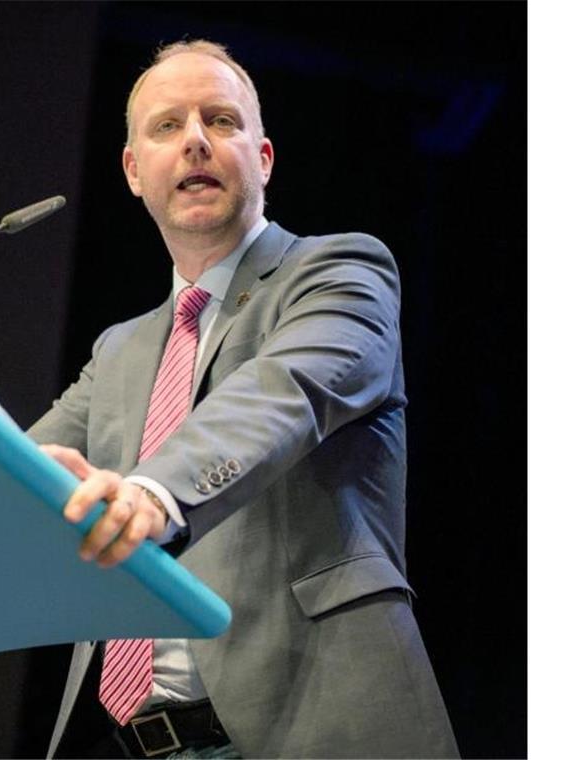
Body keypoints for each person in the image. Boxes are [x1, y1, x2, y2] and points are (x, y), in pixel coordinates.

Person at [28, 40, 459, 759]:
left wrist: (154, 492)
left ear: (262, 158)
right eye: (167, 126)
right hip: (134, 742)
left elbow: (279, 392)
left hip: (317, 730)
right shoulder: (119, 351)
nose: (195, 139)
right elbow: (23, 464)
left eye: (221, 120)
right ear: (135, 172)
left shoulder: (340, 276)